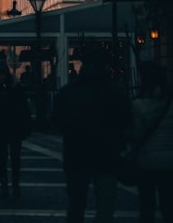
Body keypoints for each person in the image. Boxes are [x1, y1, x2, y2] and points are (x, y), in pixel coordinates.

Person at [52, 47, 130, 223]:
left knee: (76, 204)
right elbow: (126, 121)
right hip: (107, 155)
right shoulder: (115, 91)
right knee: (105, 204)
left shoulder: (69, 91)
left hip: (76, 155)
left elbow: (57, 121)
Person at [130, 61, 173, 223]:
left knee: (147, 205)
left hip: (146, 161)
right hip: (172, 160)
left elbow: (136, 134)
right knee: (168, 205)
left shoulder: (138, 105)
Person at [0, 59, 31, 198]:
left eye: (2, 74)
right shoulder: (12, 88)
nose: (1, 77)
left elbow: (23, 109)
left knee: (13, 159)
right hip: (6, 127)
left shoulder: (2, 89)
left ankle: (13, 186)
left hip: (9, 127)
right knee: (4, 159)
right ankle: (7, 186)